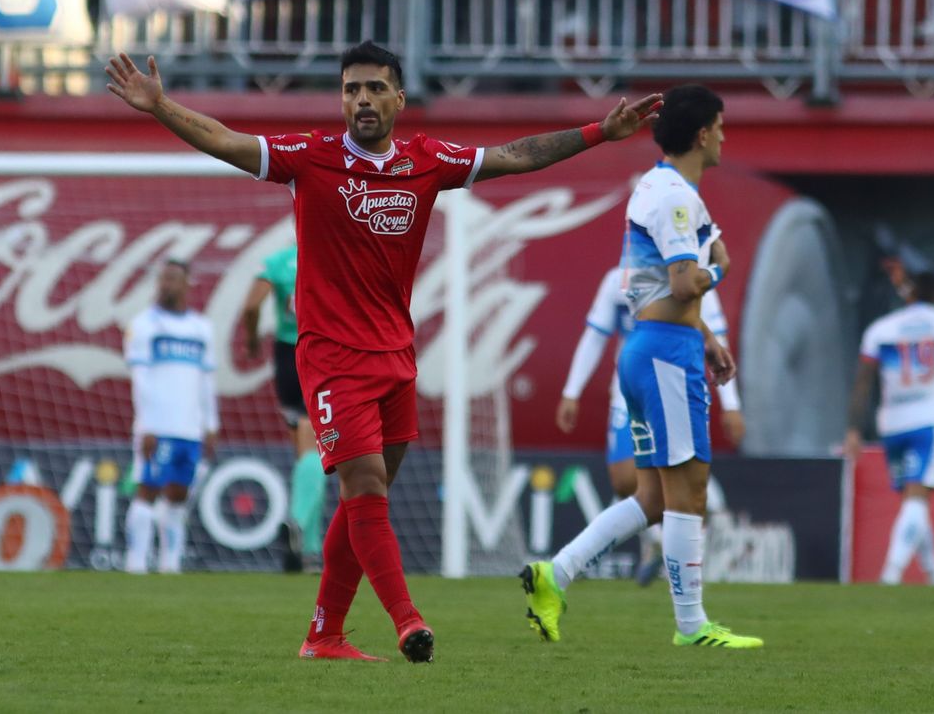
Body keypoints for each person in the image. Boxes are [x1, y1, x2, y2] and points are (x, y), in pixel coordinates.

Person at [106, 41, 661, 663]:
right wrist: (160, 107)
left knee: (364, 499)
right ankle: (407, 620)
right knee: (364, 484)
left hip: (395, 355)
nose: (361, 100)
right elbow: (229, 140)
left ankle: (324, 635)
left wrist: (598, 131)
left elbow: (513, 156)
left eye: (374, 88)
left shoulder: (427, 160)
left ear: (399, 97)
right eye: (350, 89)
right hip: (330, 356)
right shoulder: (310, 156)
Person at [522, 84, 763, 649]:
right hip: (664, 355)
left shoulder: (658, 188)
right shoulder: (676, 199)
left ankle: (554, 575)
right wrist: (713, 280)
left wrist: (703, 329)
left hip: (651, 347)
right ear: (702, 133)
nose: (725, 137)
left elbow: (660, 281)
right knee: (690, 491)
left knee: (654, 498)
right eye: (721, 127)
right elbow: (686, 280)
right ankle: (692, 627)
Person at [555, 268, 746, 586]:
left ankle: (681, 568)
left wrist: (732, 404)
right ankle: (662, 534)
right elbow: (596, 334)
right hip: (629, 392)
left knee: (676, 484)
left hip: (677, 391)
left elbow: (717, 340)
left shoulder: (696, 283)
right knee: (623, 479)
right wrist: (571, 391)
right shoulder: (617, 280)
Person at [843, 271, 934, 587]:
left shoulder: (881, 330)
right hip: (931, 421)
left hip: (893, 424)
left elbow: (863, 381)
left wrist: (854, 429)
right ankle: (891, 575)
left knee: (912, 500)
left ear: (908, 294)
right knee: (917, 500)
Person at [123, 259, 218, 574]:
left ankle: (170, 565)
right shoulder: (144, 325)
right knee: (147, 490)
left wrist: (211, 425)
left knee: (178, 496)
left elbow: (206, 381)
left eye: (173, 278)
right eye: (162, 278)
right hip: (157, 427)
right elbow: (141, 379)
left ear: (188, 283)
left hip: (189, 429)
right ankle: (135, 564)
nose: (166, 284)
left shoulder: (201, 328)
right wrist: (146, 425)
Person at [239, 243, 326, 573]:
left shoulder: (279, 260)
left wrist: (250, 341)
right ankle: (299, 521)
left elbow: (251, 307)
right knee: (317, 447)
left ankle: (309, 551)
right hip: (320, 354)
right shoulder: (333, 254)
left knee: (307, 450)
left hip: (286, 361)